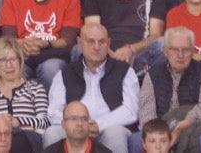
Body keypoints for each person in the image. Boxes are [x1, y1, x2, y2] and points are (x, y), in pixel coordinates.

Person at [42, 24, 139, 153]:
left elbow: (131, 110)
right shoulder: (65, 74)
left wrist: (99, 124)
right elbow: (54, 111)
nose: (97, 47)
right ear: (80, 43)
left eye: (102, 42)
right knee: (53, 132)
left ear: (109, 43)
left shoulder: (125, 71)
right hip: (74, 130)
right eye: (91, 41)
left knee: (114, 133)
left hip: (109, 129)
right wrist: (78, 124)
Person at [0, 0, 81, 90]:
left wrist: (45, 43)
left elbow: (68, 40)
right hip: (22, 55)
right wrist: (24, 43)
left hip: (54, 55)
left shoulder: (70, 0)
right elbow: (9, 38)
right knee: (14, 70)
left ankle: (52, 111)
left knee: (51, 69)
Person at [138, 27, 201, 153]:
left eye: (186, 50)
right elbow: (146, 115)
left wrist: (181, 125)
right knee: (137, 140)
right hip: (160, 131)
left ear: (193, 51)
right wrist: (161, 136)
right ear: (165, 51)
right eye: (174, 50)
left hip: (191, 126)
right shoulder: (152, 75)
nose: (180, 55)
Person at [0, 36, 51, 153]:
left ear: (20, 60)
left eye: (13, 59)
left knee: (15, 140)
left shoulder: (35, 88)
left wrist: (18, 121)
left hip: (25, 138)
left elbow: (45, 121)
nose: (9, 65)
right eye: (3, 61)